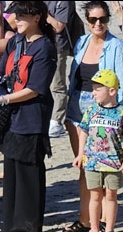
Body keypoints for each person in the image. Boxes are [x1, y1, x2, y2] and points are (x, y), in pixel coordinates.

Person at [0, 0, 57, 232]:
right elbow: (0, 73)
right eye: (15, 16)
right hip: (11, 118)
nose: (16, 20)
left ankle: (29, 230)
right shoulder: (15, 41)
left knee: (29, 175)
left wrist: (0, 100)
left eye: (21, 16)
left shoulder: (45, 47)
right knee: (11, 172)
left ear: (36, 18)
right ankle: (11, 227)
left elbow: (35, 88)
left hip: (32, 118)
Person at [60, 0, 123, 232]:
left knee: (106, 167)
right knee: (85, 165)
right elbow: (74, 80)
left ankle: (103, 221)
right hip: (77, 109)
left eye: (102, 19)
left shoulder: (116, 47)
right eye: (93, 20)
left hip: (106, 114)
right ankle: (85, 219)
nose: (98, 24)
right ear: (87, 21)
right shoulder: (81, 42)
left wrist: (122, 119)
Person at [73, 69, 123, 232]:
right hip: (92, 161)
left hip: (113, 162)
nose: (94, 93)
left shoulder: (122, 112)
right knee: (94, 196)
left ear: (112, 91)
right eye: (93, 89)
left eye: (98, 89)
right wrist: (80, 154)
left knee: (111, 196)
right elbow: (83, 131)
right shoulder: (91, 110)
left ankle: (109, 229)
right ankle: (94, 230)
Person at [44, 1, 84, 139]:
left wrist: (42, 12)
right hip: (41, 43)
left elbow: (59, 26)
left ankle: (57, 121)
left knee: (57, 84)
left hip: (58, 46)